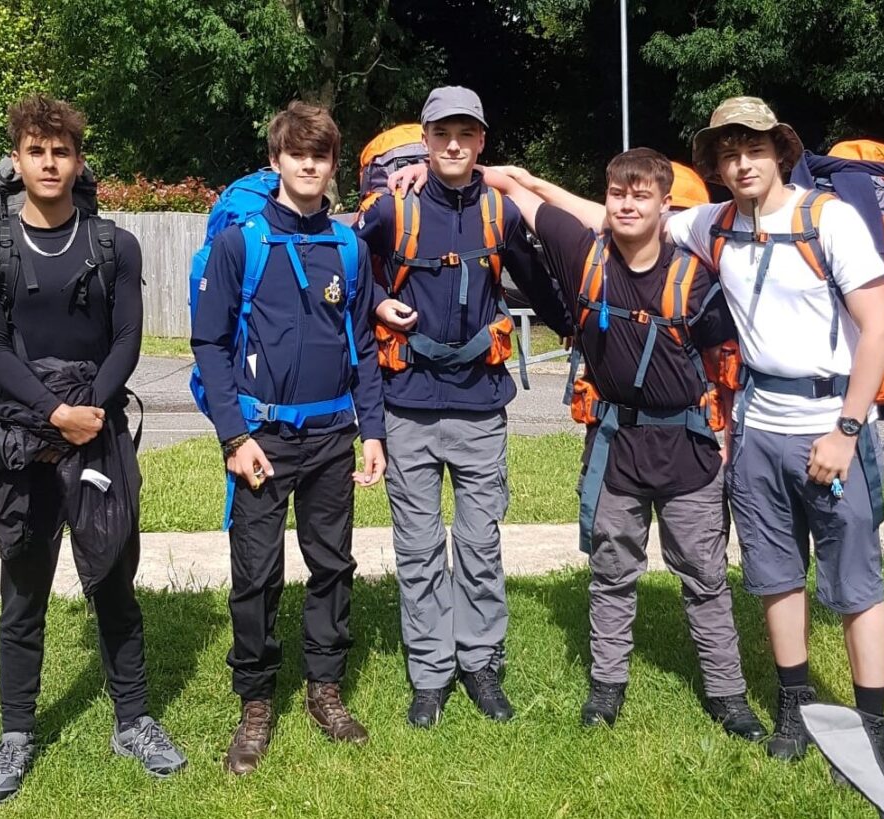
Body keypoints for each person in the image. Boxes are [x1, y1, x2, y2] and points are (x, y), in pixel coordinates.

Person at [471, 149, 766, 738]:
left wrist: (726, 429)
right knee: (611, 573)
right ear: (606, 200)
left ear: (664, 206)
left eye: (641, 196)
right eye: (617, 194)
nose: (627, 205)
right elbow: (521, 197)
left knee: (706, 579)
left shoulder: (694, 276)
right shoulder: (585, 256)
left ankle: (729, 697)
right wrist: (443, 168)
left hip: (688, 450)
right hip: (615, 448)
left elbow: (725, 360)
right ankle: (606, 690)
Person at [0, 94, 186, 805]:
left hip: (100, 435)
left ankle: (134, 719)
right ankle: (17, 733)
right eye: (36, 150)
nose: (50, 162)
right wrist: (53, 410)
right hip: (21, 440)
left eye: (61, 151)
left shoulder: (115, 245)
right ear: (17, 160)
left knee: (115, 586)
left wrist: (90, 413)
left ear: (78, 161)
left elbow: (127, 338)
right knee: (22, 594)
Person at [665, 96, 884, 763]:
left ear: (780, 153)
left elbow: (878, 329)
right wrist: (513, 181)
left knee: (855, 583)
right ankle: (794, 709)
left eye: (754, 150)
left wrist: (846, 432)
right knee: (774, 577)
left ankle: (872, 728)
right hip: (758, 427)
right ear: (714, 164)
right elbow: (623, 215)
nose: (742, 163)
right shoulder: (714, 223)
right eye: (729, 153)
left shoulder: (830, 220)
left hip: (832, 426)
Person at [354, 86, 572, 728]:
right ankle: (430, 675)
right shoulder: (392, 211)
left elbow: (543, 286)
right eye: (442, 133)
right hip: (408, 406)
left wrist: (593, 332)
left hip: (480, 408)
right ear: (425, 138)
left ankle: (480, 665)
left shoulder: (500, 213)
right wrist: (373, 304)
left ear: (481, 142)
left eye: (466, 134)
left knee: (480, 546)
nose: (454, 144)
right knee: (419, 550)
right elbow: (345, 276)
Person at [191, 101, 386, 773]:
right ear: (275, 161)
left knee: (332, 565)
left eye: (321, 155)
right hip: (261, 440)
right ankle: (255, 698)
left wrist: (373, 430)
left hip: (334, 432)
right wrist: (233, 435)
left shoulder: (349, 247)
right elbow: (209, 346)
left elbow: (361, 341)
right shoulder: (239, 242)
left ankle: (324, 687)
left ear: (334, 165)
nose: (309, 164)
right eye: (297, 154)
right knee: (256, 573)